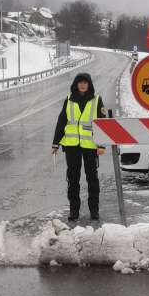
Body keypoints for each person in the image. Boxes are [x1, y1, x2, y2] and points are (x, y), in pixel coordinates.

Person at [52, 73, 106, 222]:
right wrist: (56, 143)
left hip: (90, 146)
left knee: (92, 179)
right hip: (71, 146)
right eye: (80, 82)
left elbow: (102, 123)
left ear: (89, 84)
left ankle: (94, 210)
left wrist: (101, 145)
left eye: (85, 82)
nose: (82, 85)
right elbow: (62, 121)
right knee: (73, 179)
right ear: (76, 84)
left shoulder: (96, 100)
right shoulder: (69, 100)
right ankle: (74, 210)